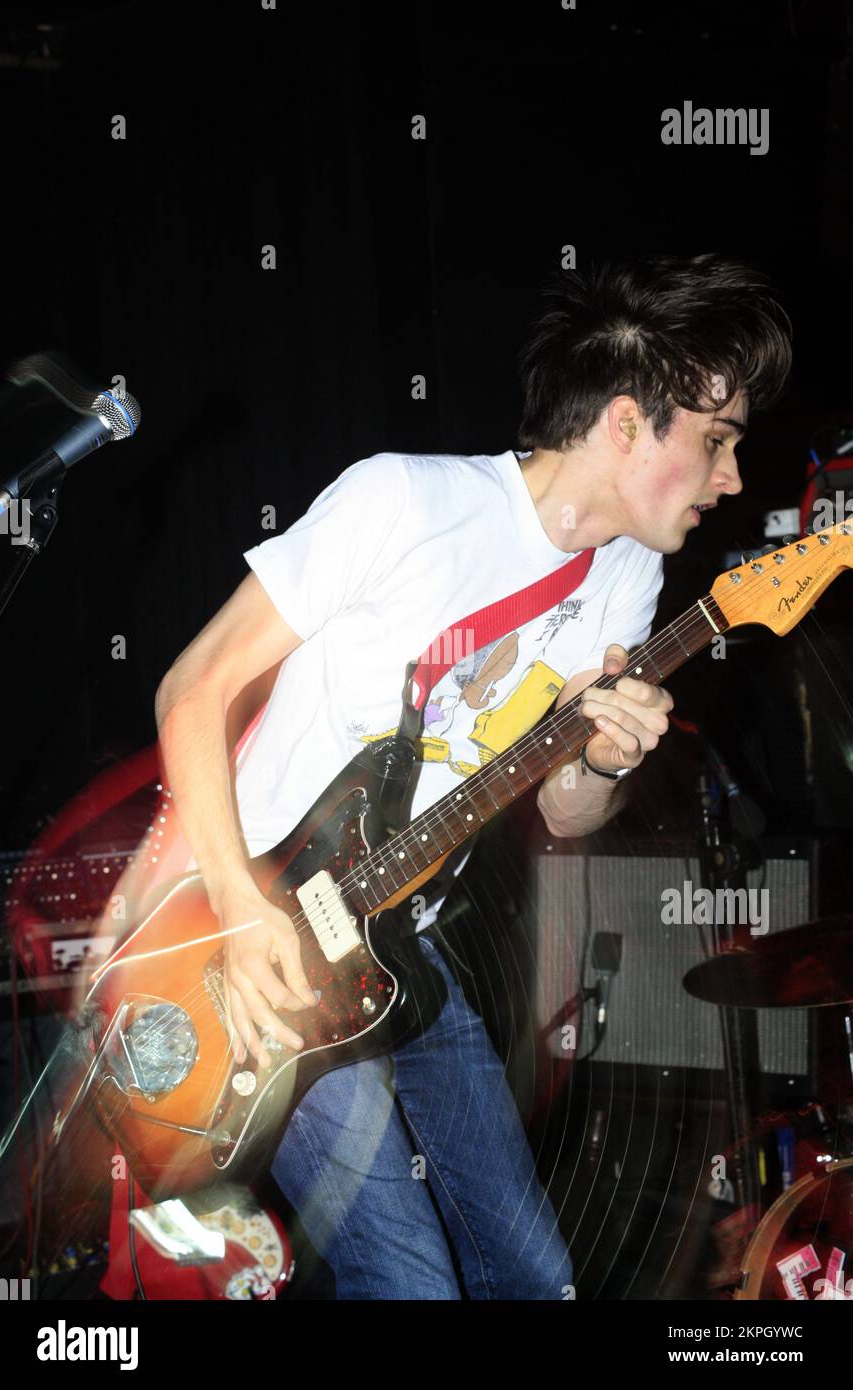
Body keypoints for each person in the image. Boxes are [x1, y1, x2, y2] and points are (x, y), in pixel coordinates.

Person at [153, 252, 792, 1298]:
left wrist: (601, 759)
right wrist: (237, 902)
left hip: (404, 941)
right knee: (409, 1284)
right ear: (625, 424)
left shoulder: (628, 573)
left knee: (535, 1275)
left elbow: (566, 812)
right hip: (261, 939)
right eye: (716, 440)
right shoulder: (403, 501)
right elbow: (190, 688)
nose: (731, 478)